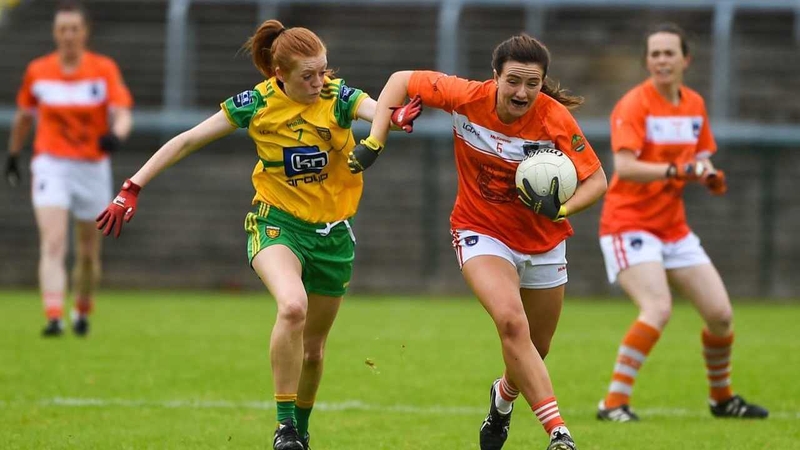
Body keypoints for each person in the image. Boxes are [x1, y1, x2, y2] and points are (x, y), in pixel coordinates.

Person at [95, 19, 418, 450]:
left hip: (333, 234)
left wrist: (393, 116)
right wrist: (131, 186)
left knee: (314, 351)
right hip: (276, 223)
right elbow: (188, 140)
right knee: (291, 307)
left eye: (324, 70)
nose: (320, 81)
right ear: (278, 74)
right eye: (309, 75)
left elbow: (374, 110)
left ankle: (300, 432)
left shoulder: (335, 97)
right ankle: (284, 428)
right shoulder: (256, 104)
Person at [348, 34, 608, 450]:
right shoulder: (466, 97)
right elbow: (399, 80)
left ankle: (502, 398)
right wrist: (376, 140)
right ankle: (559, 433)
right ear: (495, 77)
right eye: (514, 81)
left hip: (543, 242)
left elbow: (597, 180)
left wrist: (560, 210)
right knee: (511, 322)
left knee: (535, 349)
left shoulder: (554, 118)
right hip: (480, 231)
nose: (522, 92)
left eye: (533, 84)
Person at [595, 23, 768, 422]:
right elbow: (624, 167)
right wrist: (678, 170)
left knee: (721, 315)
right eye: (654, 54)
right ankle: (614, 404)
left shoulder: (693, 104)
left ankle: (722, 399)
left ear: (685, 60)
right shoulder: (634, 104)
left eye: (669, 53)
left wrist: (708, 175)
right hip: (629, 223)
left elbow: (701, 158)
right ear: (646, 61)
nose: (661, 60)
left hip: (672, 227)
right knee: (657, 308)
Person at [5, 0, 133, 337]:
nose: (69, 35)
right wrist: (14, 156)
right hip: (51, 164)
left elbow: (122, 113)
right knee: (53, 243)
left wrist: (116, 137)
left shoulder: (103, 69)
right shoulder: (38, 71)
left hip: (91, 167)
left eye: (74, 29)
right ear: (55, 33)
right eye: (63, 29)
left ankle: (82, 309)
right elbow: (23, 118)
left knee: (89, 253)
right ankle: (53, 317)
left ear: (85, 32)